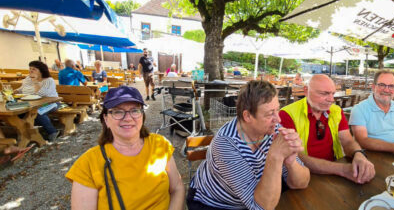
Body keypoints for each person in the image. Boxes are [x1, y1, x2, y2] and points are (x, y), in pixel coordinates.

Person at [188, 80, 310, 209]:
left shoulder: (273, 128)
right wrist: (276, 156)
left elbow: (302, 183)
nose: (278, 119)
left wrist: (291, 162)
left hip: (253, 195)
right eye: (270, 114)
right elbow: (261, 206)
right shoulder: (226, 144)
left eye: (277, 110)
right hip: (214, 203)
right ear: (247, 116)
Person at [66, 86, 184, 210]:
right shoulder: (88, 164)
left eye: (134, 110)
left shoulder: (159, 144)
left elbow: (177, 188)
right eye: (117, 111)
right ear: (106, 119)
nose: (128, 118)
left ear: (142, 116)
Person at [279, 74, 375, 184]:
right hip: (303, 176)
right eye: (324, 93)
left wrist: (358, 154)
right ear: (306, 91)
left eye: (332, 94)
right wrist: (342, 169)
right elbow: (297, 158)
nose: (331, 99)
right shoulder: (287, 114)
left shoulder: (336, 111)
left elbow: (347, 141)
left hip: (333, 172)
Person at [18, 61, 60, 141]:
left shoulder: (48, 80)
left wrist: (36, 82)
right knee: (20, 113)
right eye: (30, 68)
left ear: (41, 70)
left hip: (50, 103)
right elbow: (22, 89)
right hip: (32, 103)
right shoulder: (28, 79)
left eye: (34, 69)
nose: (31, 71)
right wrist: (14, 91)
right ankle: (29, 132)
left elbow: (42, 94)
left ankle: (53, 132)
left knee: (37, 112)